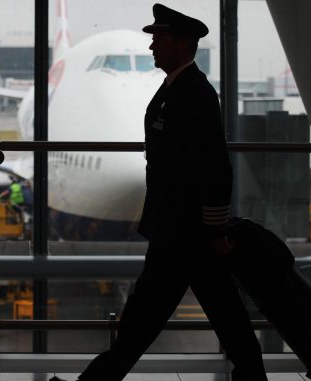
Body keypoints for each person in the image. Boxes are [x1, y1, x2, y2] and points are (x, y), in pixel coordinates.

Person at [51, 4, 267, 381]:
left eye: (159, 38)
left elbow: (215, 169)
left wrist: (215, 232)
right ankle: (253, 377)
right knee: (224, 320)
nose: (152, 46)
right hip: (182, 234)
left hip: (184, 236)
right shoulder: (175, 89)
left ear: (182, 45)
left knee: (140, 327)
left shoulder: (195, 94)